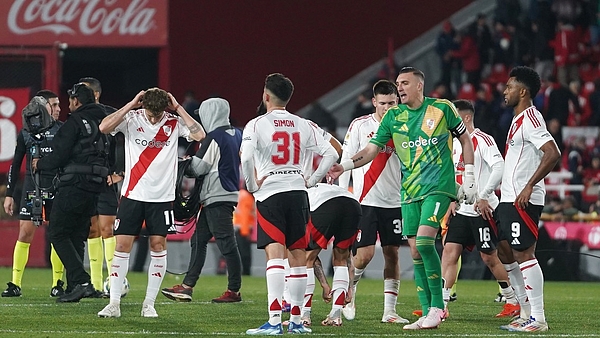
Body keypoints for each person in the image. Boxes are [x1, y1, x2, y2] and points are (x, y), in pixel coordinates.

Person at [328, 67, 478, 330]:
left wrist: (470, 177)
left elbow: (465, 139)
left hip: (438, 187)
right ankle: (427, 311)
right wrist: (346, 166)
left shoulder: (442, 109)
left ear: (419, 85)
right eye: (398, 83)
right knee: (416, 252)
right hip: (408, 192)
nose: (400, 87)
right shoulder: (394, 117)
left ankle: (437, 308)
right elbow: (372, 150)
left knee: (422, 242)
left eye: (405, 83)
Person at [241, 73, 338, 335]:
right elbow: (332, 152)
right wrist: (313, 179)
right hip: (298, 192)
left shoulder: (256, 124)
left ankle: (274, 322)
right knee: (297, 258)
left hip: (271, 191)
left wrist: (251, 185)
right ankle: (296, 321)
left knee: (275, 256)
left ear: (266, 95)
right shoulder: (303, 124)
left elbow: (247, 157)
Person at [97, 87, 205, 318]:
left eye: (158, 114)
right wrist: (131, 103)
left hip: (162, 198)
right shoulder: (131, 118)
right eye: (150, 113)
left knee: (158, 246)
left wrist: (178, 108)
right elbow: (104, 127)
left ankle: (149, 303)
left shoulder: (174, 122)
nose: (154, 118)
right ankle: (114, 303)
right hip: (133, 195)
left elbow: (200, 135)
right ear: (143, 105)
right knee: (122, 246)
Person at [440, 99, 520, 318]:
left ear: (465, 118)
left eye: (454, 116)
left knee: (489, 258)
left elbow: (499, 166)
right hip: (461, 209)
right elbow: (456, 175)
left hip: (482, 210)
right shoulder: (454, 143)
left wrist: (484, 196)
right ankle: (441, 306)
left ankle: (512, 300)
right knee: (449, 252)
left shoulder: (482, 140)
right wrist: (452, 199)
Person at [337, 79, 408, 324]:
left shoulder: (406, 125)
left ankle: (389, 311)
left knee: (392, 253)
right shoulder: (360, 125)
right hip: (365, 200)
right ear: (374, 102)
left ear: (397, 101)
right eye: (383, 103)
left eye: (392, 102)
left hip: (395, 200)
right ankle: (351, 290)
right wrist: (342, 195)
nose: (387, 107)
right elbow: (346, 159)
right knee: (364, 255)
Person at [33, 83, 111, 302]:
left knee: (57, 232)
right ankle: (77, 286)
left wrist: (41, 164)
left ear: (77, 101)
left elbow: (59, 156)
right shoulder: (103, 120)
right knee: (77, 235)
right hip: (95, 186)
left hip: (74, 184)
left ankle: (82, 280)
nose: (69, 105)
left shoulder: (74, 122)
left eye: (70, 101)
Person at [161, 97, 243, 303]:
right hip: (225, 192)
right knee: (198, 240)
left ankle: (234, 290)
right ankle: (187, 287)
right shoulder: (236, 134)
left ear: (211, 113)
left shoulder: (214, 137)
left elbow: (199, 168)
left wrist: (184, 164)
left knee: (226, 243)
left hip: (217, 193)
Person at [497, 66, 560, 332]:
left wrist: (529, 186)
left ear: (523, 91)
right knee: (505, 250)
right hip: (509, 198)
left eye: (509, 86)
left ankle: (538, 319)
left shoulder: (533, 119)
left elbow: (552, 152)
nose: (504, 90)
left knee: (524, 253)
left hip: (524, 199)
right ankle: (525, 312)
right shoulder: (518, 119)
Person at [2, 90, 65, 298]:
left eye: (58, 105)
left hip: (56, 187)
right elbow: (16, 163)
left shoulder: (63, 130)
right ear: (43, 106)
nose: (58, 109)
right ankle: (15, 284)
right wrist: (10, 193)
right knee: (25, 233)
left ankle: (58, 283)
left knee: (57, 235)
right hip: (32, 188)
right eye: (54, 105)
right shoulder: (26, 132)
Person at [302, 125, 361, 327]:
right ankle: (336, 315)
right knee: (341, 260)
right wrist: (347, 288)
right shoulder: (322, 184)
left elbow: (311, 257)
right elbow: (350, 260)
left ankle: (304, 315)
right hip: (352, 203)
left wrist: (324, 285)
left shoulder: (300, 195)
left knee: (305, 259)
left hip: (323, 205)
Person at [78, 77, 123, 296]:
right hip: (85, 179)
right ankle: (96, 285)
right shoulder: (77, 116)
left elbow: (128, 139)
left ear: (95, 94)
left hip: (106, 178)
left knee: (107, 228)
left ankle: (114, 281)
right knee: (92, 229)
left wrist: (120, 172)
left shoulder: (111, 114)